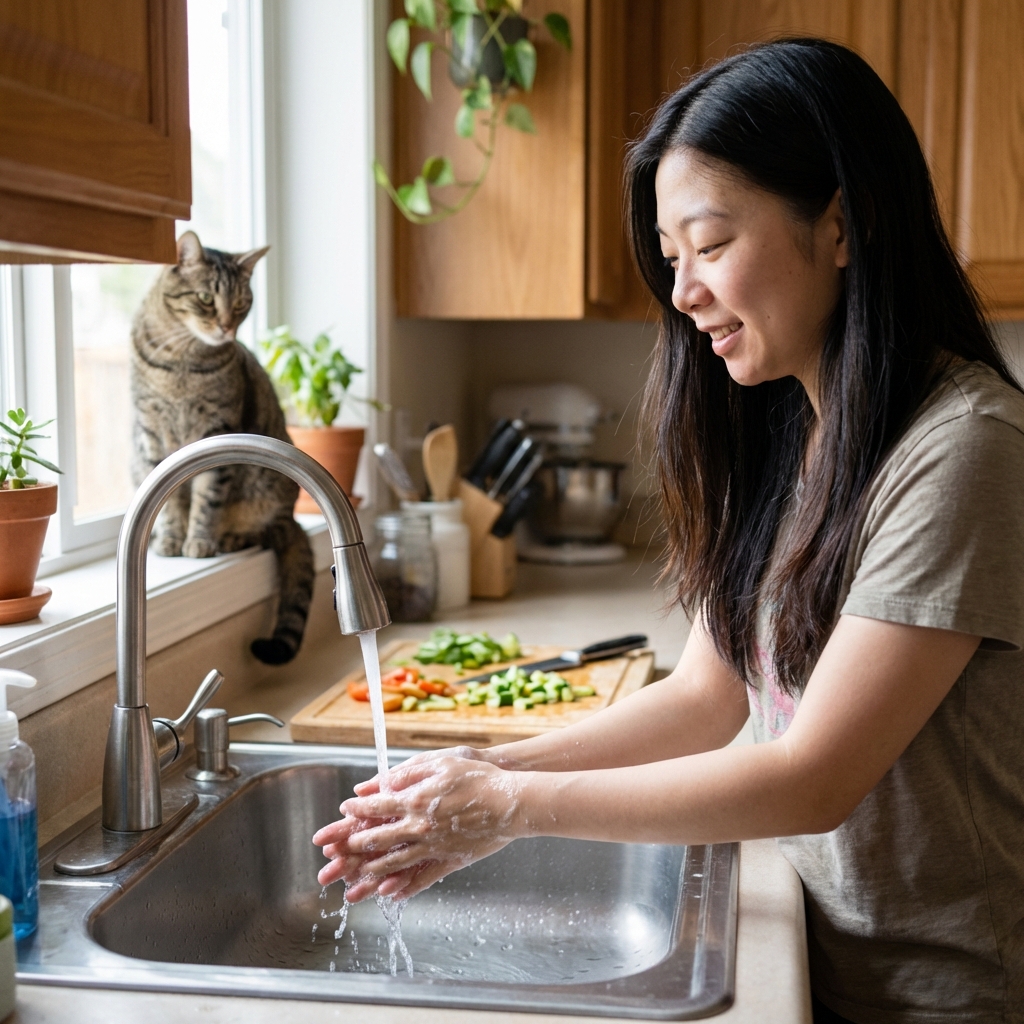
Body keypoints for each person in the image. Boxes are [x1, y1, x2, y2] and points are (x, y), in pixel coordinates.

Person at [313, 39, 1024, 1024]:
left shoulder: (964, 446)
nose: (683, 293)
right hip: (833, 956)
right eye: (673, 256)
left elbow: (810, 777)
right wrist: (483, 779)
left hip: (948, 992)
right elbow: (702, 696)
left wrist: (506, 808)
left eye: (711, 244)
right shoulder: (792, 429)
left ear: (840, 225)